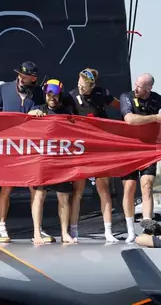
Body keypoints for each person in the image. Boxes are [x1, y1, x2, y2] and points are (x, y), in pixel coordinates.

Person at [119, 73, 161, 243]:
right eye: (136, 84)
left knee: (147, 187)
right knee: (129, 188)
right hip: (129, 149)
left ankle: (147, 230)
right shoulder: (126, 96)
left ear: (149, 88)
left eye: (140, 86)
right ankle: (131, 230)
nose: (136, 88)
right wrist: (155, 118)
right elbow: (129, 119)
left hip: (149, 149)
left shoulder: (158, 99)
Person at [0, 61, 45, 243]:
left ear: (33, 79)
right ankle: (1, 228)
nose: (21, 78)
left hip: (30, 146)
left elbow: (44, 110)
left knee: (34, 188)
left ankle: (38, 229)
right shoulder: (5, 89)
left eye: (26, 76)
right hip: (9, 146)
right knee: (6, 187)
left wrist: (39, 111)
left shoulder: (38, 93)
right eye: (20, 75)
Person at [67, 68, 121, 243]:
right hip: (81, 148)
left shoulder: (101, 93)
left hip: (99, 147)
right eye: (79, 84)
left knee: (103, 189)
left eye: (84, 87)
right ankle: (74, 230)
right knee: (78, 190)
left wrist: (130, 112)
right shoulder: (71, 96)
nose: (80, 88)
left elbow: (120, 105)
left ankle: (108, 231)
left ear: (92, 85)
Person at [28, 79, 77, 244]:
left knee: (63, 197)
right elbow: (22, 124)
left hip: (61, 161)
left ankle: (65, 233)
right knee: (39, 195)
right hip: (41, 161)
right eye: (49, 94)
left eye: (55, 95)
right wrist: (31, 115)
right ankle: (36, 233)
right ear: (45, 94)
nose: (52, 97)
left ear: (60, 96)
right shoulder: (38, 110)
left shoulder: (67, 114)